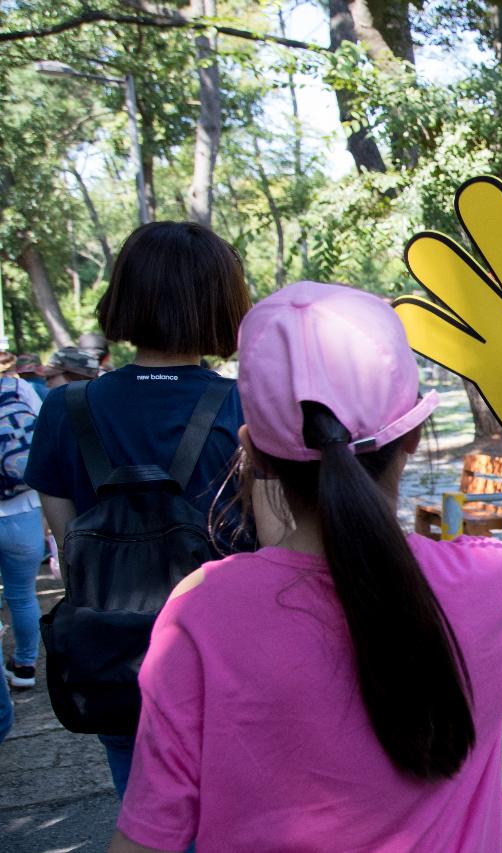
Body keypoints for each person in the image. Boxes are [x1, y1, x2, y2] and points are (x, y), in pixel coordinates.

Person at [108, 281, 502, 851]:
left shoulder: (200, 613)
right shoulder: (488, 585)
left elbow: (148, 836)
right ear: (415, 437)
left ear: (248, 447)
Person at [25, 221, 252, 799]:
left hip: (116, 662)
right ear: (223, 301)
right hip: (226, 658)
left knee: (145, 809)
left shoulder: (63, 408)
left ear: (123, 295)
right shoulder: (244, 404)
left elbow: (72, 545)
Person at [0, 355, 44, 694]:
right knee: (23, 595)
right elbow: (41, 440)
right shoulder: (20, 388)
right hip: (23, 509)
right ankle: (26, 665)